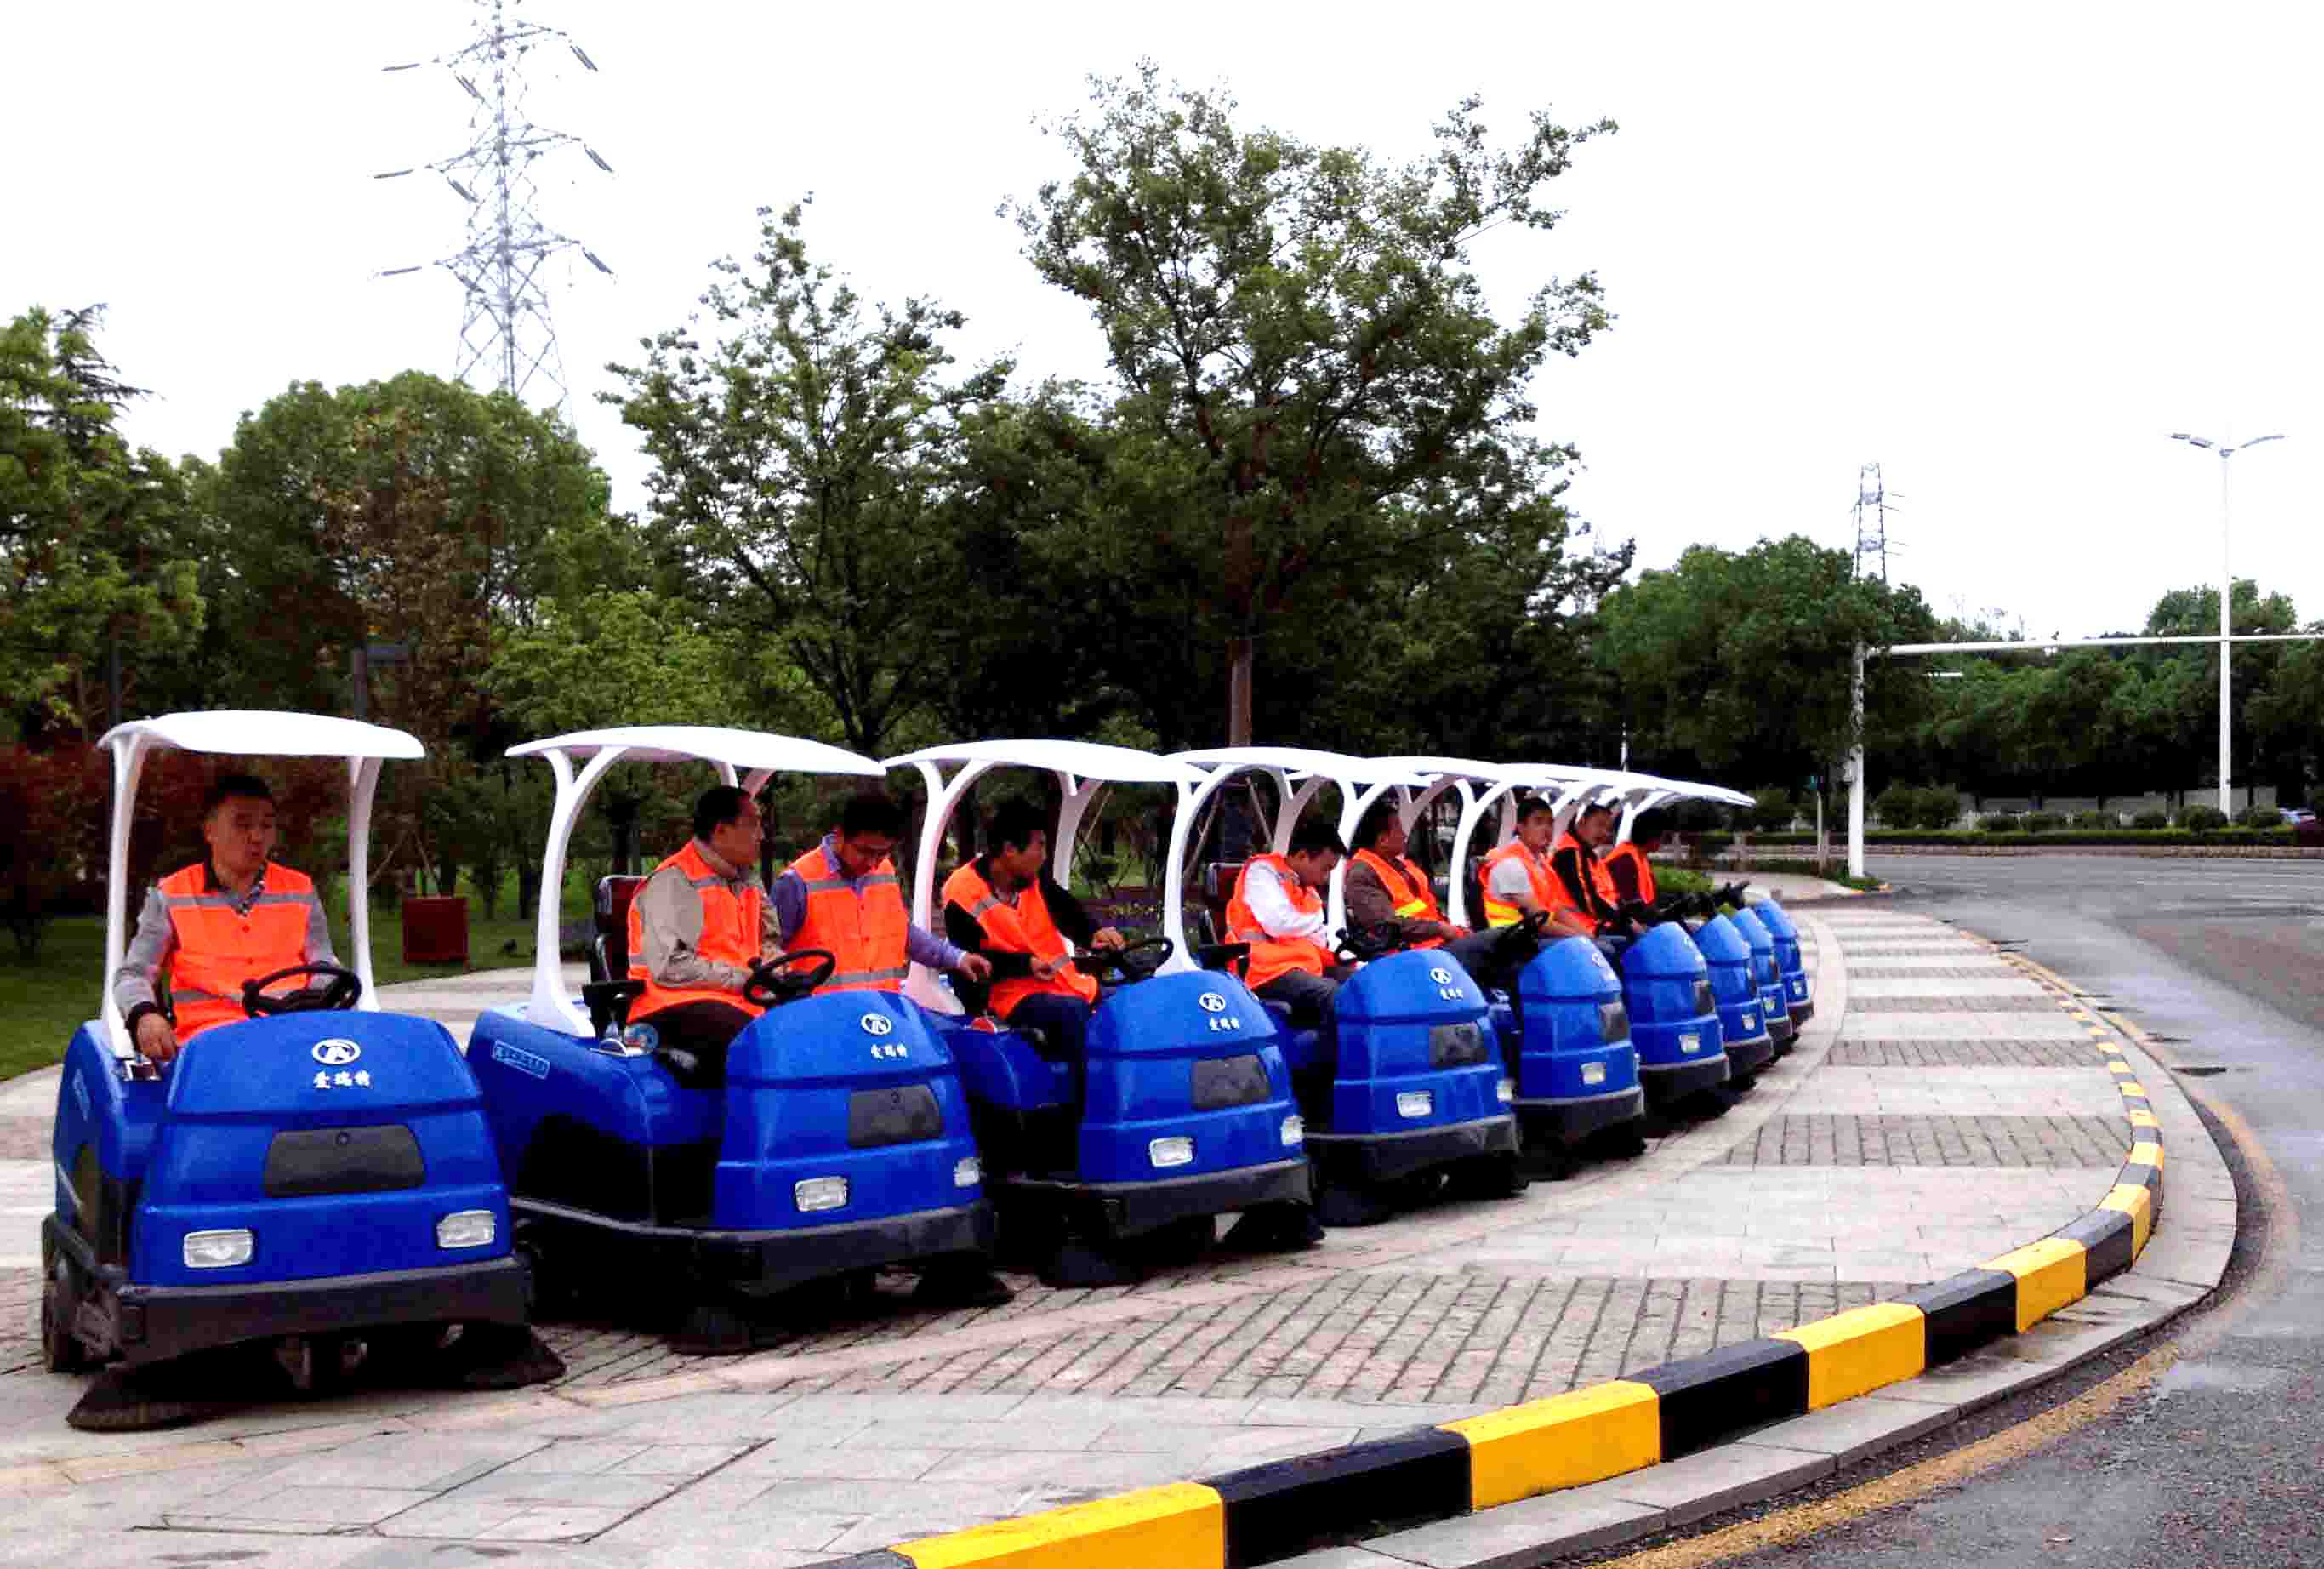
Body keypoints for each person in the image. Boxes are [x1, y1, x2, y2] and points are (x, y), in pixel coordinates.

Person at [115, 773, 337, 1064]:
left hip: (292, 1042)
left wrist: (315, 1001)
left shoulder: (300, 890)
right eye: (243, 825)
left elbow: (325, 965)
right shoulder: (171, 894)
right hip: (207, 1051)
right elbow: (134, 974)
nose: (257, 837)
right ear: (210, 831)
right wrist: (144, 1015)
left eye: (266, 826)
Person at [943, 797, 1125, 1062]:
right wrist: (1025, 965)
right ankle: (1088, 1087)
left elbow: (1068, 911)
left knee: (1128, 1002)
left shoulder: (1031, 880)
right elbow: (968, 961)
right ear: (1009, 850)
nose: (1044, 856)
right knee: (1072, 1013)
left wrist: (1093, 934)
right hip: (1007, 997)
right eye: (1039, 846)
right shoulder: (962, 893)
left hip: (1064, 985)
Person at [624, 785, 782, 1075]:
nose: (761, 835)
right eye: (753, 825)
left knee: (810, 1024)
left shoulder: (748, 880)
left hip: (740, 998)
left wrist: (776, 964)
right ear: (720, 830)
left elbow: (768, 940)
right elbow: (670, 967)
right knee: (751, 1044)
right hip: (669, 1003)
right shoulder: (672, 882)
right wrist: (746, 979)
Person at [772, 790, 993, 996]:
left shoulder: (885, 870)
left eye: (881, 853)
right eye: (865, 851)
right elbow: (770, 953)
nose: (872, 863)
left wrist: (957, 958)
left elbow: (901, 932)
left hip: (881, 1013)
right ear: (840, 835)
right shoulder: (796, 882)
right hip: (822, 1016)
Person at [1345, 799, 1526, 992]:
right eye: (1398, 828)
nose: (1404, 835)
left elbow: (1428, 911)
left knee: (1513, 943)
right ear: (1383, 839)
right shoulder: (1362, 873)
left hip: (1435, 947)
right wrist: (1440, 929)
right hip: (1413, 956)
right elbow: (1384, 926)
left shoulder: (1401, 868)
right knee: (1502, 940)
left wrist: (1453, 930)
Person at [1223, 822, 1348, 1060]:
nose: (1326, 878)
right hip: (1261, 968)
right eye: (1325, 869)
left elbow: (1318, 937)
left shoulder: (1306, 889)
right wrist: (1314, 921)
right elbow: (1278, 923)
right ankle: (1330, 1073)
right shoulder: (1263, 872)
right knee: (1330, 993)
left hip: (1296, 964)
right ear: (1302, 856)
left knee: (1359, 981)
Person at [1477, 797, 1598, 940]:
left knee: (1607, 945)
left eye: (1550, 823)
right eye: (1538, 822)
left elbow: (1556, 909)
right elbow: (1540, 921)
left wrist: (1589, 936)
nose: (1547, 829)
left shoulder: (1541, 863)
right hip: (1512, 942)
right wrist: (1584, 939)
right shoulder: (1510, 865)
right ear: (1520, 827)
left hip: (1535, 937)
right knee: (1604, 948)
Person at [1548, 802, 1638, 958]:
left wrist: (1625, 916)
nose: (1604, 833)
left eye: (1608, 829)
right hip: (1579, 928)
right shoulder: (1570, 852)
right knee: (1630, 943)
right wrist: (1624, 920)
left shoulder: (1587, 854)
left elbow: (1608, 895)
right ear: (1582, 821)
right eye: (1599, 825)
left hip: (1592, 926)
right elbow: (1588, 899)